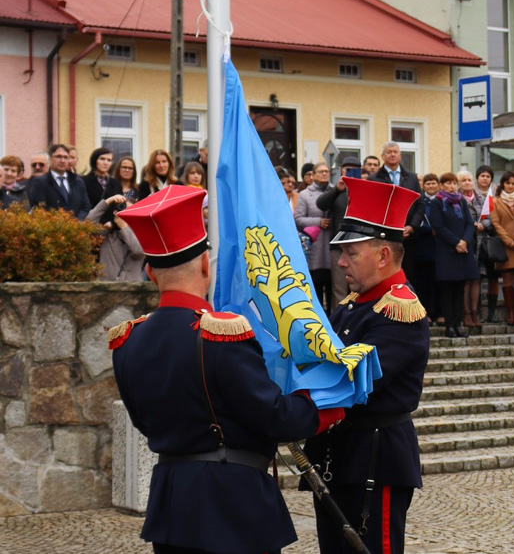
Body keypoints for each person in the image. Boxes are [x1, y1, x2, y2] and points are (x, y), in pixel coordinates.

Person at [110, 185, 345, 554]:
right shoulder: (222, 333)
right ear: (206, 264)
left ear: (151, 273)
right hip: (231, 504)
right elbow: (274, 418)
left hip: (172, 505)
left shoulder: (127, 341)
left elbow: (144, 421)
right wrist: (331, 403)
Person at [302, 177, 429, 554]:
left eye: (350, 253)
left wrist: (294, 406)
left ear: (383, 256)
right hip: (338, 455)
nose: (340, 262)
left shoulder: (400, 309)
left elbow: (355, 377)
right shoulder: (352, 304)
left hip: (375, 458)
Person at [430, 172, 479, 338]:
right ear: (442, 186)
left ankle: (458, 324)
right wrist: (456, 242)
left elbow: (469, 223)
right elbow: (438, 226)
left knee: (460, 288)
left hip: (463, 251)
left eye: (453, 183)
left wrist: (465, 241)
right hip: (447, 251)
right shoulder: (437, 202)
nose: (452, 186)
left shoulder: (461, 201)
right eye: (448, 183)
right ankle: (449, 325)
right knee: (447, 289)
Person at [370, 142, 423, 287]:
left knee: (409, 274)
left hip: (409, 237)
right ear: (382, 156)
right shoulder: (374, 179)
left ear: (400, 155)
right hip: (384, 237)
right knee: (386, 274)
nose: (392, 154)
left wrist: (412, 226)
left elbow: (420, 204)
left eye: (395, 152)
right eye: (389, 152)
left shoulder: (411, 178)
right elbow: (373, 206)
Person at [317, 157, 362, 305]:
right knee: (339, 289)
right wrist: (337, 189)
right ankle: (339, 323)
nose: (350, 172)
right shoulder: (336, 189)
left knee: (360, 287)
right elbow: (321, 204)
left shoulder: (365, 188)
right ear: (341, 170)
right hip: (339, 246)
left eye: (354, 169)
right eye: (347, 169)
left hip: (361, 245)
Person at [490, 171, 514, 327]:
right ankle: (510, 313)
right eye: (507, 183)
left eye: (513, 183)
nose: (510, 186)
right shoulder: (496, 201)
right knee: (507, 279)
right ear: (503, 184)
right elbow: (495, 223)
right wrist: (507, 240)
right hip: (504, 245)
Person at [295, 162, 333, 313]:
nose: (324, 174)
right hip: (314, 246)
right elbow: (298, 219)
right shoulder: (305, 195)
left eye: (326, 171)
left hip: (331, 246)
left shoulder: (335, 191)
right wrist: (318, 222)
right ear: (313, 174)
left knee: (332, 286)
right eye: (321, 171)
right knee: (315, 285)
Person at [85, 193, 144, 281]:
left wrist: (124, 227)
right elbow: (88, 224)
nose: (125, 214)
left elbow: (139, 252)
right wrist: (108, 201)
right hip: (107, 287)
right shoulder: (107, 232)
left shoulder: (141, 232)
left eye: (129, 211)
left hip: (133, 288)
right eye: (122, 208)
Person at [28, 144, 92, 220]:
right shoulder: (39, 182)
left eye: (65, 157)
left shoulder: (78, 182)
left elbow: (85, 207)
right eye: (58, 157)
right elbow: (39, 208)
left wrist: (76, 222)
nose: (62, 161)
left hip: (76, 229)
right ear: (50, 159)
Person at [457, 170, 483, 328]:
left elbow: (490, 217)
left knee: (477, 278)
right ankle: (466, 312)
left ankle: (475, 312)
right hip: (465, 242)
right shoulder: (457, 200)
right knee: (466, 279)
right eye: (463, 180)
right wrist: (471, 227)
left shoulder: (480, 198)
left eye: (469, 179)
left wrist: (482, 225)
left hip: (480, 242)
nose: (467, 182)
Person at [474, 165, 500, 322]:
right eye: (482, 175)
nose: (485, 178)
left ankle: (492, 312)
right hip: (477, 241)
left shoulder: (497, 194)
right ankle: (477, 311)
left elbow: (497, 214)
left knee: (493, 277)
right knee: (477, 276)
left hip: (493, 240)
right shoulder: (471, 193)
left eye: (488, 176)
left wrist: (487, 224)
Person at [415, 173, 440, 325]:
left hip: (439, 248)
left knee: (438, 283)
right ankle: (426, 313)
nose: (431, 186)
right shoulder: (419, 201)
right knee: (423, 283)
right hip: (422, 248)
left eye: (433, 183)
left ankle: (438, 313)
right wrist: (429, 230)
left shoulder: (443, 201)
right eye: (428, 184)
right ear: (423, 186)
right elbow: (416, 220)